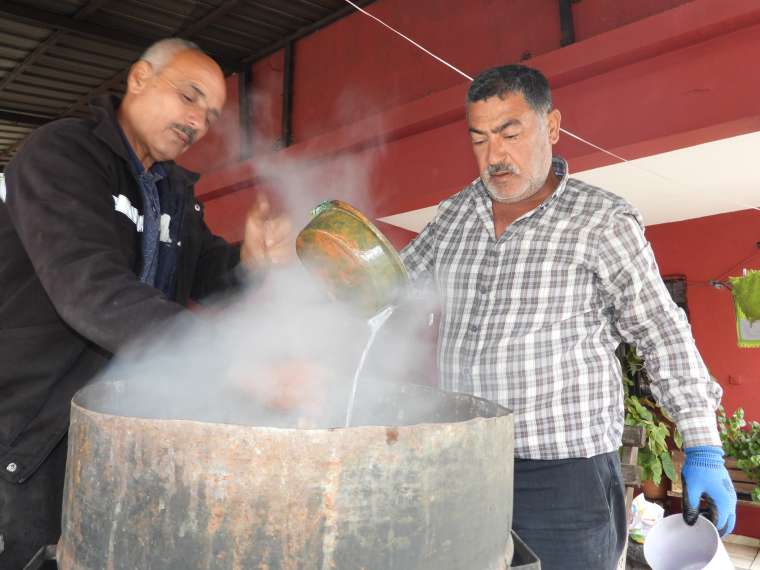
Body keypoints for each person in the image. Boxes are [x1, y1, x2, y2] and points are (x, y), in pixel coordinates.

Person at [400, 64, 736, 569]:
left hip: (564, 480)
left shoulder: (600, 220)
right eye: (480, 139)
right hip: (465, 465)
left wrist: (702, 441)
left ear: (552, 127)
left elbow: (660, 331)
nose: (494, 156)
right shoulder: (454, 214)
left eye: (510, 134)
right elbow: (393, 289)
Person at [0, 38, 292, 568]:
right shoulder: (62, 154)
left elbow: (202, 274)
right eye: (188, 96)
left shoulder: (171, 191)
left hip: (113, 431)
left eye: (210, 113)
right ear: (138, 78)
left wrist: (248, 262)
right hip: (27, 434)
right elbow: (90, 291)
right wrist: (225, 361)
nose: (198, 121)